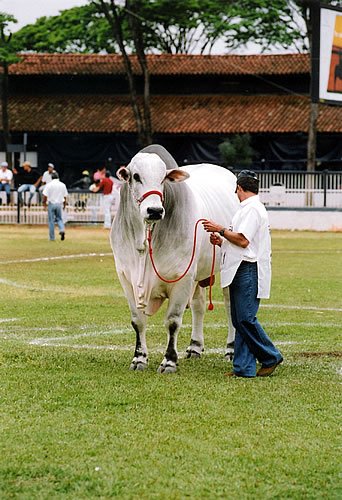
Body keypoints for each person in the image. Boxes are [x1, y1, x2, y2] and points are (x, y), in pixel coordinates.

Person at [202, 169, 283, 378]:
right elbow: (241, 241)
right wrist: (221, 241)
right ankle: (244, 368)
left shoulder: (251, 209)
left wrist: (220, 230)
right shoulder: (250, 208)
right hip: (242, 265)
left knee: (245, 318)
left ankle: (271, 356)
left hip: (247, 268)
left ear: (239, 188)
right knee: (239, 320)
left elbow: (243, 240)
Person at [42, 172, 68, 241]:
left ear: (51, 178)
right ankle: (62, 229)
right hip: (59, 204)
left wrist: (44, 204)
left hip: (51, 203)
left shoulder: (49, 185)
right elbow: (65, 196)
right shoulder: (63, 185)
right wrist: (64, 205)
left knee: (51, 221)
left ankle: (52, 237)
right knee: (59, 219)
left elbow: (45, 195)